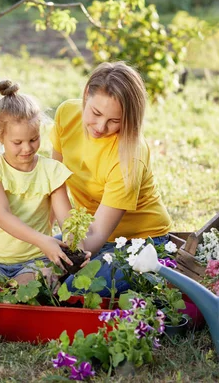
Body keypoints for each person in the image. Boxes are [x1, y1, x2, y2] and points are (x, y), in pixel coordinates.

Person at [50, 61, 173, 296]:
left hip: (141, 244)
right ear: (87, 94)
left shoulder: (129, 154)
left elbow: (96, 235)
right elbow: (54, 182)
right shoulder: (67, 115)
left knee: (73, 291)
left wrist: (67, 257)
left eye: (115, 121)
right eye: (95, 113)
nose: (100, 126)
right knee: (27, 264)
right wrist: (50, 241)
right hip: (86, 234)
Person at [0, 80, 81, 286]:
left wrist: (76, 246)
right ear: (0, 136)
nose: (27, 148)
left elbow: (67, 219)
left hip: (35, 260)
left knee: (26, 291)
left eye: (34, 139)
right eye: (17, 142)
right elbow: (3, 216)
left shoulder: (51, 170)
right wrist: (43, 240)